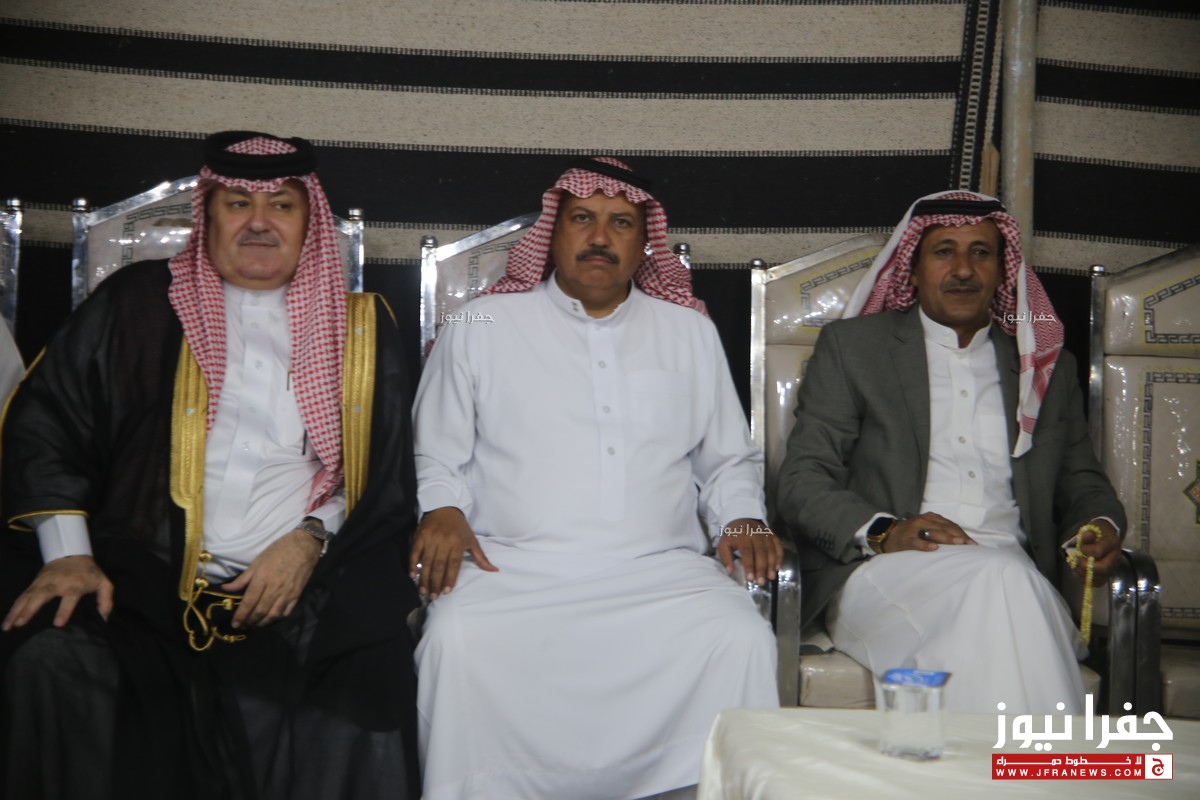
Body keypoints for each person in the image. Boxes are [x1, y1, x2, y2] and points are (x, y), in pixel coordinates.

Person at [0, 131, 420, 799]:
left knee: (370, 674)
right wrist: (68, 554)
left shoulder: (361, 328)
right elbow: (49, 423)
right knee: (49, 658)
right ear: (209, 215)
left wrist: (309, 541)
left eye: (281, 205)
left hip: (297, 590)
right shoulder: (138, 302)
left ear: (309, 222)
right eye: (238, 204)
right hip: (138, 583)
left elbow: (384, 474)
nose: (259, 222)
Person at [411, 157, 781, 800]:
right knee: (456, 638)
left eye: (621, 224)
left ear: (644, 243)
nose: (600, 237)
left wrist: (743, 517)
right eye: (582, 219)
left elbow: (726, 459)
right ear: (553, 232)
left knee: (739, 636)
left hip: (659, 572)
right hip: (513, 569)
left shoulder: (689, 331)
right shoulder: (479, 324)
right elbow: (435, 450)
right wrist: (441, 508)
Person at [776, 190, 1126, 714]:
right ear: (913, 270)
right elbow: (802, 480)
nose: (963, 269)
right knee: (1002, 590)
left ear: (1002, 272)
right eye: (944, 252)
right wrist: (885, 530)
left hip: (1018, 577)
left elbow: (1082, 480)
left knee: (1001, 588)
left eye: (981, 253)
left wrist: (1098, 525)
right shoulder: (856, 349)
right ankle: (1051, 762)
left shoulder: (1045, 368)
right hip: (888, 567)